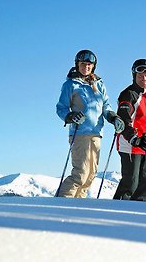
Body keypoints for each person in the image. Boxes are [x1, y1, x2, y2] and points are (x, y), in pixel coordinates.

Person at [56, 49, 124, 198]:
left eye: (89, 64)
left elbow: (106, 106)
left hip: (96, 133)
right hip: (80, 133)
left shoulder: (98, 84)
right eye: (82, 64)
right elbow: (61, 108)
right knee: (80, 174)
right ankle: (61, 204)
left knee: (90, 176)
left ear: (93, 66)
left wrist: (113, 118)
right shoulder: (70, 84)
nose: (86, 67)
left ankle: (77, 206)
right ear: (77, 65)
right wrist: (71, 116)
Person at [113, 59, 146, 201]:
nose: (145, 78)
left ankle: (137, 213)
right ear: (134, 76)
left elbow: (142, 117)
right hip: (130, 144)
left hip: (143, 144)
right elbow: (124, 118)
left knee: (145, 182)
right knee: (130, 183)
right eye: (141, 76)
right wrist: (134, 138)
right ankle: (117, 212)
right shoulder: (129, 94)